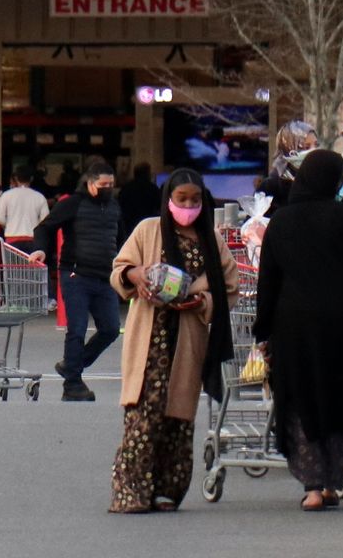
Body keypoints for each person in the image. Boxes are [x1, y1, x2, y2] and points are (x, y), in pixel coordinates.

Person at [252, 150, 343, 512]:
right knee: (338, 394)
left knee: (302, 398)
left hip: (294, 325)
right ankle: (333, 484)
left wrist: (263, 331)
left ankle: (312, 486)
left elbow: (268, 282)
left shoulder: (281, 223)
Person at [107, 168, 241, 513]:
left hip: (187, 338)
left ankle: (168, 489)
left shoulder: (211, 240)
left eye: (195, 200)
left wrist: (202, 302)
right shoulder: (147, 230)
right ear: (168, 200)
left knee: (177, 416)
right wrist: (136, 274)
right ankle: (131, 493)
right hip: (149, 339)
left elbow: (228, 289)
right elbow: (120, 269)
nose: (188, 206)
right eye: (181, 200)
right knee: (143, 414)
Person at [31, 158, 122, 402]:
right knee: (77, 329)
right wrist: (40, 249)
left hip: (105, 278)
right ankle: (72, 384)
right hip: (75, 275)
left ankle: (73, 364)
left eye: (111, 184)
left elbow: (121, 239)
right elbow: (44, 228)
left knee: (111, 329)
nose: (108, 188)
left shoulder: (114, 207)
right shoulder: (73, 204)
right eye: (104, 184)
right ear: (90, 184)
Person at [0, 169, 49, 252]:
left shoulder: (6, 195)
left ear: (16, 178)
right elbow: (45, 219)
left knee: (12, 265)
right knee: (31, 265)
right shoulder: (39, 197)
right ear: (31, 179)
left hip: (12, 238)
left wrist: (9, 224)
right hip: (33, 239)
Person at [116, 162, 161, 245]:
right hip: (148, 228)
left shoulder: (126, 188)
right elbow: (159, 208)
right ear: (147, 173)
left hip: (129, 228)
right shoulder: (153, 189)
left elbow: (119, 207)